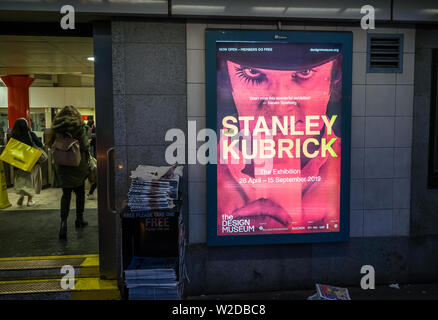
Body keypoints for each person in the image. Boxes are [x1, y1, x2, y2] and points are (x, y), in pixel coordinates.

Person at [216, 42, 342, 235]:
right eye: (251, 72)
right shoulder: (211, 171)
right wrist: (227, 230)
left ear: (333, 79)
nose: (279, 109)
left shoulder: (343, 170)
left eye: (305, 72)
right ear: (228, 81)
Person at [50, 106, 90, 240]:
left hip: (62, 166)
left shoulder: (56, 127)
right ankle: (79, 219)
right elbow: (84, 145)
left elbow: (50, 144)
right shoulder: (79, 127)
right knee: (80, 193)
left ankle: (63, 225)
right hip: (77, 165)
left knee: (65, 195)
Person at [10, 118, 43, 207]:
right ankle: (30, 201)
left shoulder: (13, 136)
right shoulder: (30, 134)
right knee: (31, 181)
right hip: (31, 161)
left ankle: (22, 195)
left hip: (19, 162)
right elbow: (40, 144)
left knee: (22, 180)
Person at [87, 120, 97, 200]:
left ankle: (90, 192)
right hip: (95, 156)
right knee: (97, 176)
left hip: (94, 155)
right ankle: (90, 192)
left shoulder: (91, 132)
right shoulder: (93, 132)